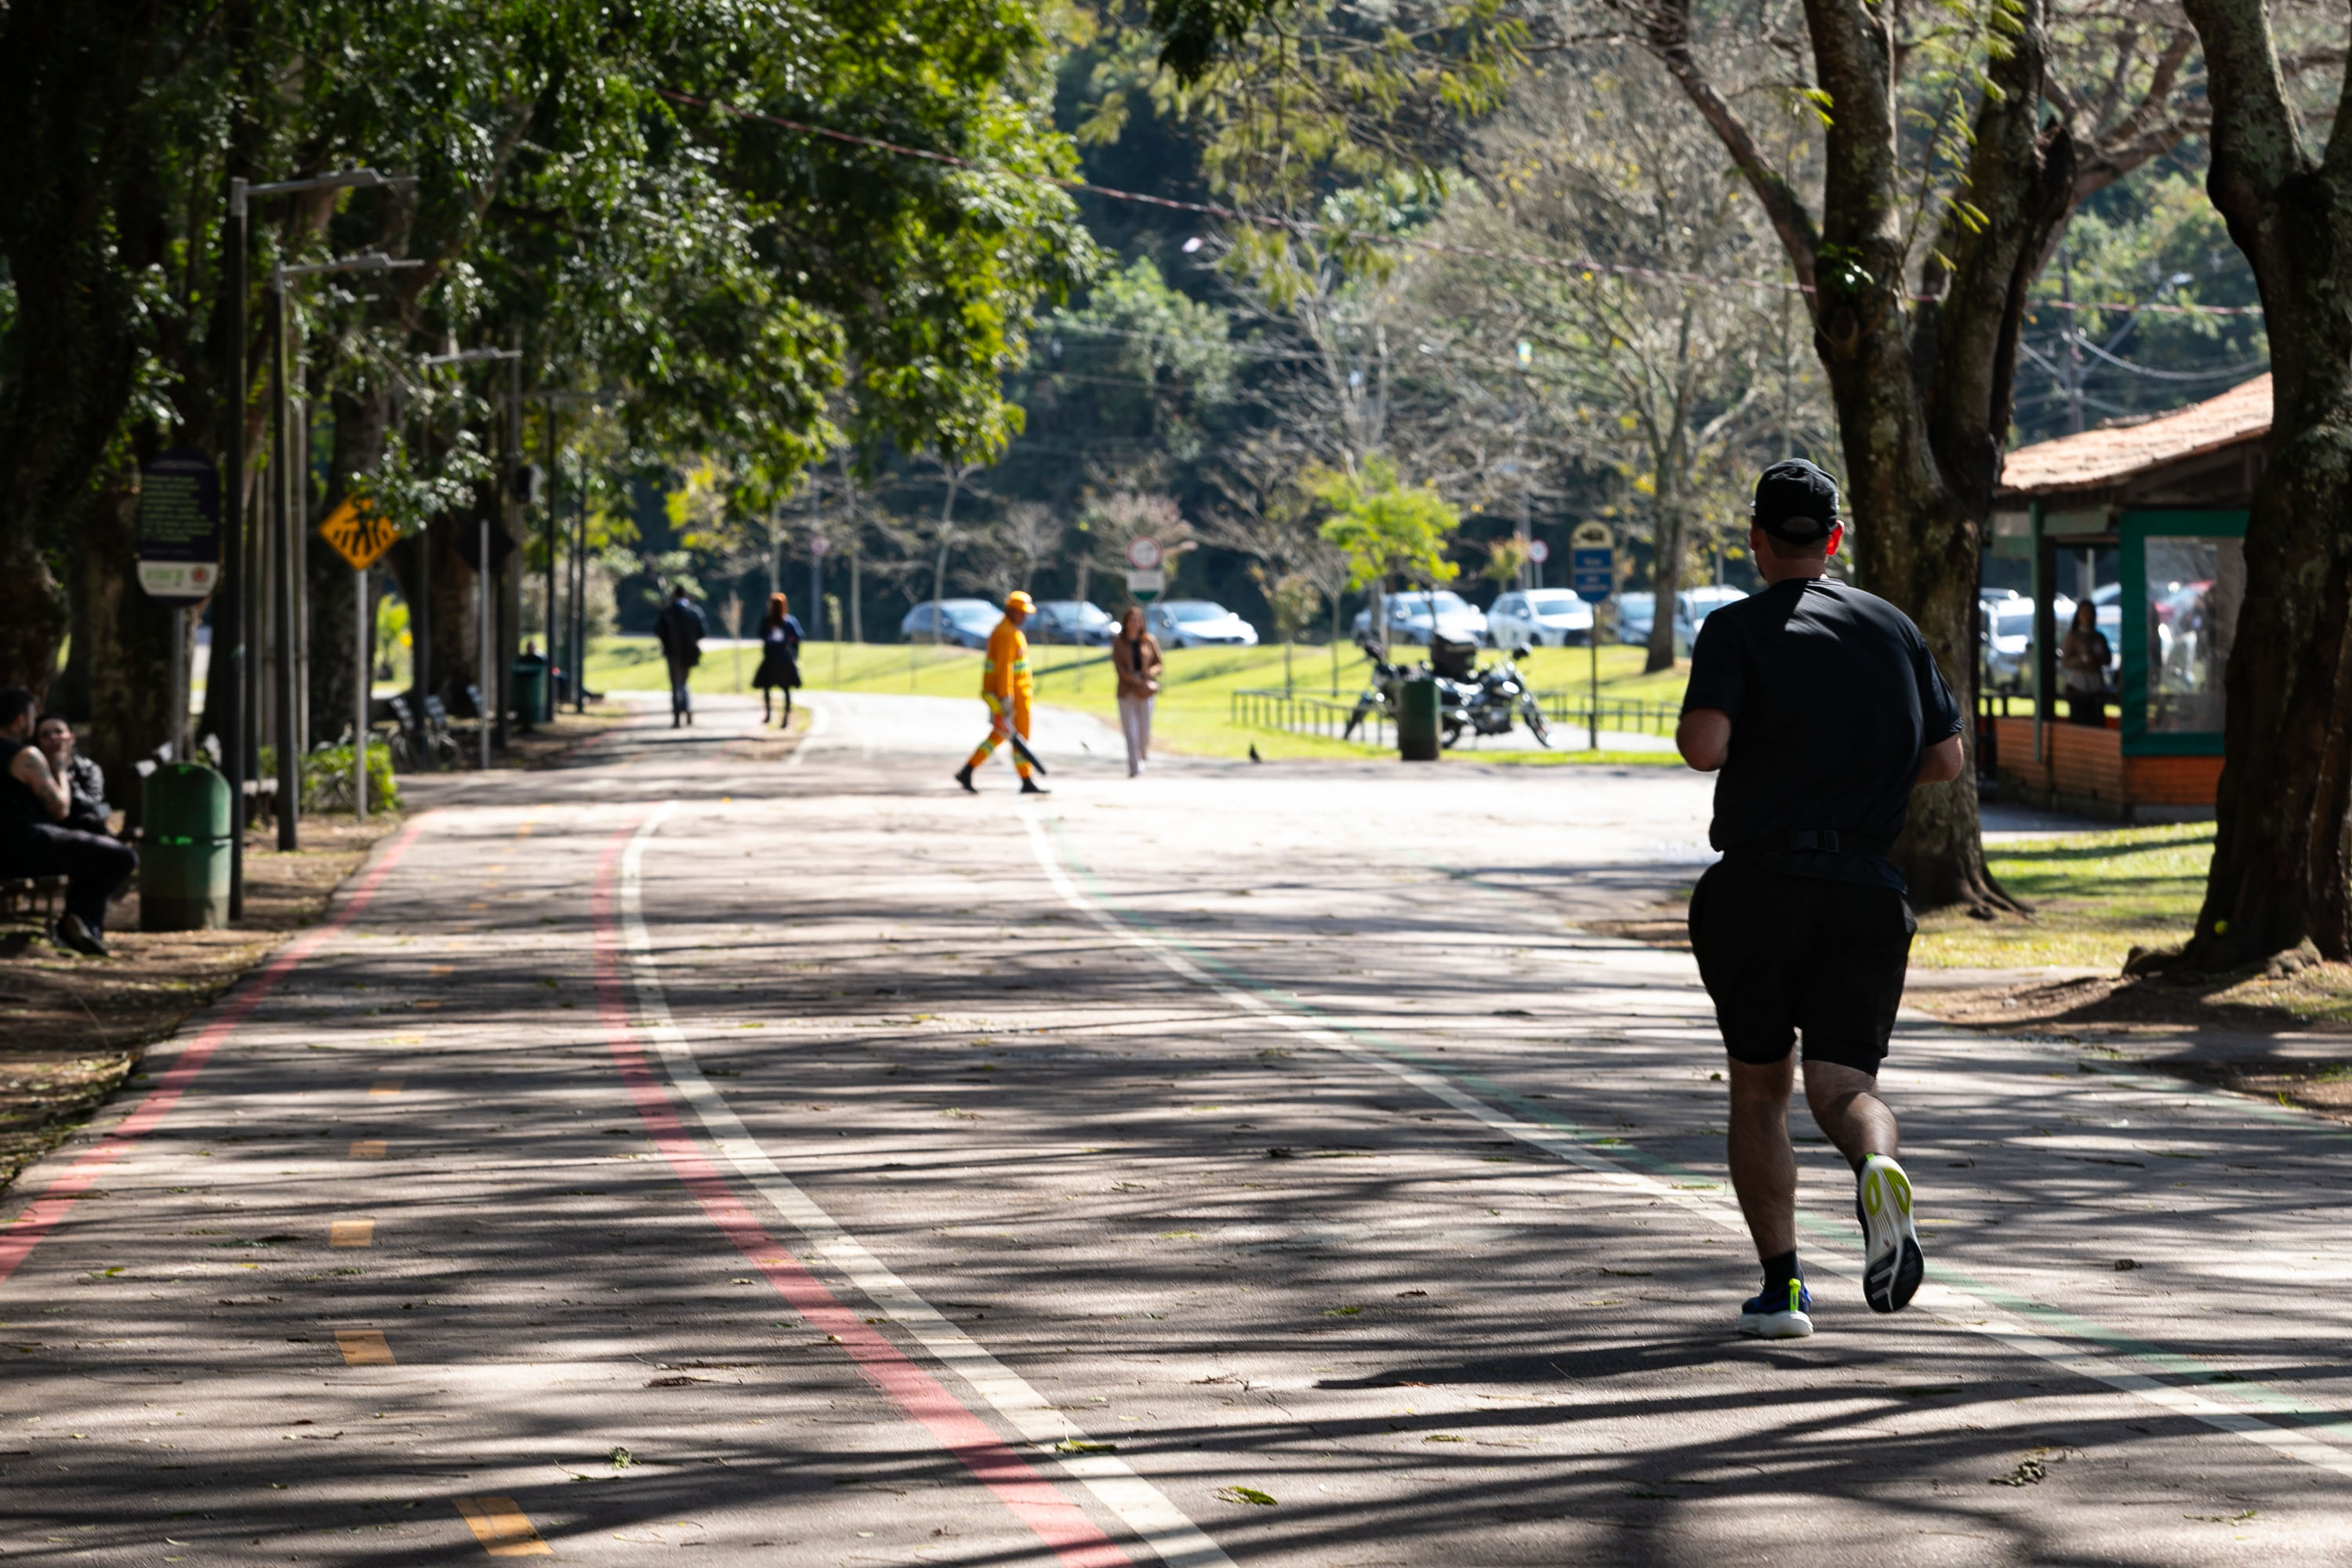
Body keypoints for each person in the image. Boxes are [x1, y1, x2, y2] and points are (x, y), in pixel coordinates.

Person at [1674, 459, 1966, 1340]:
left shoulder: (1736, 628)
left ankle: (1785, 1289)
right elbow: (1946, 759)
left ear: (1758, 540)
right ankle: (1877, 1164)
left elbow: (1704, 746)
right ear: (1835, 539)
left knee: (1762, 1085)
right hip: (1867, 891)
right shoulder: (1893, 627)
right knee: (1845, 1082)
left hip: (1762, 885)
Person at [0, 690, 137, 957]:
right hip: (29, 845)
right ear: (19, 721)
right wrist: (61, 767)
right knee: (121, 857)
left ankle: (81, 926)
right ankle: (75, 922)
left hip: (11, 849)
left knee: (89, 853)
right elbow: (60, 807)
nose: (34, 722)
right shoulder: (27, 756)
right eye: (32, 717)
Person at [954, 590, 1045, 796]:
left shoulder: (1010, 631)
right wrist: (1005, 699)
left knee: (1001, 736)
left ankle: (969, 771)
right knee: (1017, 737)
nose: (1025, 617)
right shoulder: (1005, 633)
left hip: (1017, 695)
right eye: (1022, 613)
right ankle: (1024, 779)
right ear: (1011, 611)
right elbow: (1004, 669)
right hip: (1013, 697)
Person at [34, 716, 115, 837]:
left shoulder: (89, 769)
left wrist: (66, 778)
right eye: (45, 735)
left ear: (72, 738)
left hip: (84, 830)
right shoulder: (33, 771)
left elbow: (92, 805)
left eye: (59, 732)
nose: (53, 737)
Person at [1111, 604, 1163, 778]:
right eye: (1131, 620)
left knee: (1144, 730)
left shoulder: (1149, 640)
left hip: (1146, 690)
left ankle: (1141, 756)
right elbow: (1118, 666)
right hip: (1127, 691)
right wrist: (1131, 678)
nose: (1134, 623)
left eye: (1138, 620)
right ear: (1126, 622)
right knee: (1130, 731)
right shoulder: (1119, 642)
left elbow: (1159, 663)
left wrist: (1149, 673)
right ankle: (1133, 765)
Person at [654, 585, 706, 728]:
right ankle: (687, 707)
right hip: (689, 653)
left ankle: (677, 716)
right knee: (683, 683)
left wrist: (667, 643)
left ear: (675, 596)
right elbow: (703, 631)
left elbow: (659, 630)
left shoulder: (669, 612)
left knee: (676, 685)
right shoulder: (694, 612)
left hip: (673, 653)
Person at [753, 592, 804, 728]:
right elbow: (797, 638)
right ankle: (785, 718)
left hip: (771, 658)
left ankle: (770, 715)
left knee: (767, 687)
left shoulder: (770, 621)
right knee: (786, 689)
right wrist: (795, 655)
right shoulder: (788, 621)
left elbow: (762, 636)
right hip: (784, 659)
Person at [2059, 600, 2112, 727]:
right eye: (2084, 612)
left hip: (2096, 685)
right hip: (2079, 686)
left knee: (2097, 721)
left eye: (2090, 613)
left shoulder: (2099, 637)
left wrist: (2096, 660)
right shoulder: (2073, 636)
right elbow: (2065, 662)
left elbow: (2107, 659)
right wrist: (2083, 659)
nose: (2088, 616)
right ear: (2078, 615)